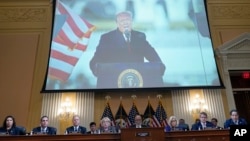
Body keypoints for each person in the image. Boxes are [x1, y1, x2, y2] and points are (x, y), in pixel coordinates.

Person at [89, 11, 165, 88]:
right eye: (122, 21)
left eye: (128, 20)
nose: (125, 23)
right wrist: (99, 70)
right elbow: (95, 61)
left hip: (137, 84)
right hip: (114, 85)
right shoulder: (107, 38)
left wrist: (159, 67)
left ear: (131, 21)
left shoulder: (140, 37)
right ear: (117, 23)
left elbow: (152, 55)